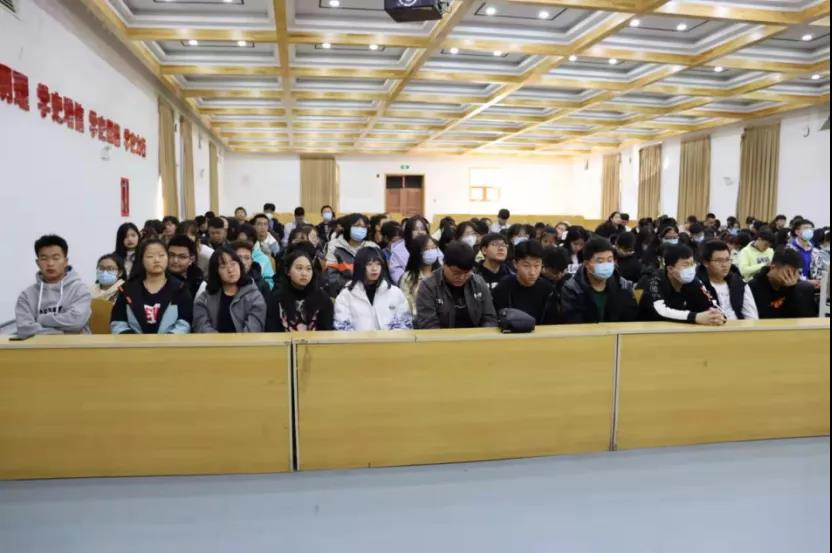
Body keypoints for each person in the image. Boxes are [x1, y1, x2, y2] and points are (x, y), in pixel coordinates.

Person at [15, 235, 92, 337]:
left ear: (65, 261)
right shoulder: (26, 296)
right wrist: (61, 333)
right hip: (38, 346)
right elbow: (24, 329)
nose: (50, 263)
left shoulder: (80, 290)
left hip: (75, 345)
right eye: (44, 258)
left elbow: (76, 322)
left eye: (56, 258)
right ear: (37, 263)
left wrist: (41, 319)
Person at [110, 239, 192, 334]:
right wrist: (133, 339)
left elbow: (184, 323)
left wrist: (167, 339)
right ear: (141, 260)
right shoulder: (127, 289)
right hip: (134, 342)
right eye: (150, 256)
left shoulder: (180, 288)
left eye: (161, 255)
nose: (157, 260)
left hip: (170, 342)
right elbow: (118, 322)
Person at [415, 241, 498, 329]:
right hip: (441, 336)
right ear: (444, 264)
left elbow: (489, 318)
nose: (461, 277)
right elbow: (428, 324)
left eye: (466, 273)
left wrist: (483, 334)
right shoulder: (428, 287)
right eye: (456, 273)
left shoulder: (478, 283)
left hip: (476, 335)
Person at [638, 244, 725, 325]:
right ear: (670, 269)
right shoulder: (653, 281)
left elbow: (713, 305)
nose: (690, 269)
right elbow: (661, 311)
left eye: (692, 264)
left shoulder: (694, 282)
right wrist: (695, 317)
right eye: (685, 265)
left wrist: (716, 315)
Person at [560, 237, 638, 324]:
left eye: (609, 260)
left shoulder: (623, 285)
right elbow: (574, 322)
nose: (606, 265)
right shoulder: (573, 289)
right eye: (600, 261)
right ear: (587, 264)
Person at [333, 247, 412, 331]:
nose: (374, 268)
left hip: (390, 339)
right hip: (358, 339)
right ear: (360, 267)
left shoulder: (395, 293)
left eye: (378, 264)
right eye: (369, 264)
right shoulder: (346, 295)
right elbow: (342, 327)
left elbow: (404, 324)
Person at [193, 246, 267, 333]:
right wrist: (218, 340)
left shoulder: (254, 296)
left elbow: (253, 329)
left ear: (240, 266)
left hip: (245, 342)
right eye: (223, 266)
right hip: (213, 342)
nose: (230, 270)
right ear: (216, 271)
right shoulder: (204, 299)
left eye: (233, 264)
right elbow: (201, 327)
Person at [266, 249, 334, 332]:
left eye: (308, 269)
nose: (304, 273)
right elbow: (271, 332)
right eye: (299, 268)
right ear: (288, 271)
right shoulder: (276, 299)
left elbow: (327, 333)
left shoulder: (323, 299)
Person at [492, 240, 557, 324]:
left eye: (537, 265)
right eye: (526, 266)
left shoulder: (548, 290)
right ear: (515, 264)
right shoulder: (503, 288)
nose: (532, 272)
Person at [697, 241, 758, 320]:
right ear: (706, 263)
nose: (725, 265)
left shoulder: (739, 284)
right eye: (719, 260)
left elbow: (751, 316)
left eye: (727, 259)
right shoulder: (698, 286)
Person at [749, 248, 817, 319]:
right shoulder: (753, 288)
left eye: (796, 273)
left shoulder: (797, 287)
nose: (793, 277)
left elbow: (801, 318)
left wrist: (791, 291)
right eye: (788, 273)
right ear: (773, 267)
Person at [324, 213, 379, 296]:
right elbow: (332, 276)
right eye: (357, 226)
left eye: (363, 227)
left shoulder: (373, 247)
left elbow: (380, 274)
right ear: (348, 227)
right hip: (343, 293)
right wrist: (354, 287)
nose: (360, 229)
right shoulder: (334, 246)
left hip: (369, 292)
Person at [400, 235, 442, 315]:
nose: (431, 251)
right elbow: (405, 306)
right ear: (418, 252)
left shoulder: (442, 274)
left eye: (433, 248)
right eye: (426, 249)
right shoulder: (408, 277)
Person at [388, 216, 430, 284]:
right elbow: (398, 278)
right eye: (415, 229)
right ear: (409, 231)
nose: (420, 232)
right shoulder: (397, 251)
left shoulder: (432, 246)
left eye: (422, 229)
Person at [236, 222, 276, 289]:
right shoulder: (231, 256)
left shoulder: (263, 259)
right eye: (240, 241)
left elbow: (270, 283)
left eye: (247, 241)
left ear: (253, 241)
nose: (244, 244)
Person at [166, 234, 206, 300]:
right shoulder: (156, 277)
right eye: (171, 255)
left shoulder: (199, 284)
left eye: (182, 257)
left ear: (191, 259)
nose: (175, 260)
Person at [787, 219, 824, 286]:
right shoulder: (789, 249)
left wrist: (818, 282)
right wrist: (808, 282)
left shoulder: (815, 251)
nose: (809, 231)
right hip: (794, 286)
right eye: (806, 228)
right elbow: (788, 272)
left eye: (811, 229)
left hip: (813, 287)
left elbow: (819, 271)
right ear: (797, 232)